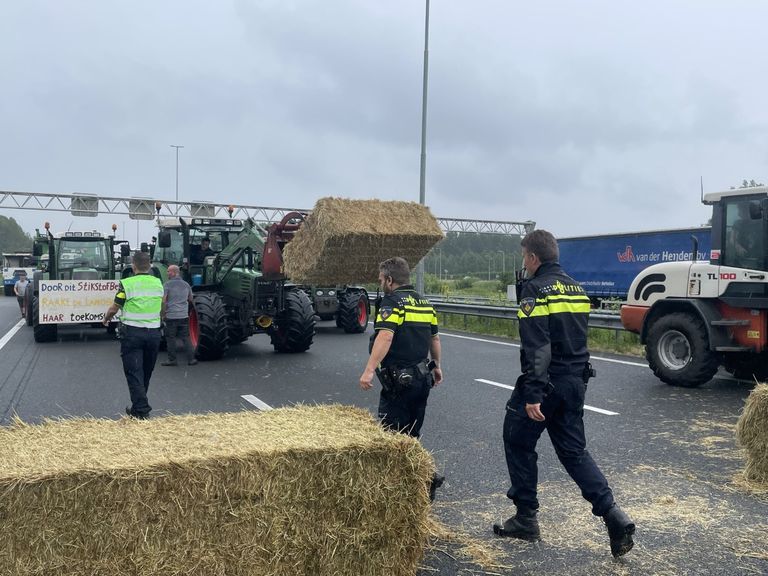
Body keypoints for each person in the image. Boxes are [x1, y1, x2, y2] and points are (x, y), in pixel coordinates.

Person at [494, 230, 635, 558]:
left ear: (533, 257)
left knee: (516, 439)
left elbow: (538, 347)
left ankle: (526, 519)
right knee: (574, 452)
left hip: (547, 383)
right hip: (575, 381)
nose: (523, 264)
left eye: (523, 257)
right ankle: (613, 515)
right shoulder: (576, 287)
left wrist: (532, 392)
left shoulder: (534, 289)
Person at [359, 256, 445, 500]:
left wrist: (368, 370)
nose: (380, 284)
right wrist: (437, 366)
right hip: (422, 378)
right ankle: (421, 479)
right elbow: (435, 339)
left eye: (380, 280)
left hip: (400, 381)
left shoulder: (392, 303)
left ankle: (423, 478)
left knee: (391, 434)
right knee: (412, 434)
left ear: (389, 279)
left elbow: (385, 337)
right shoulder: (425, 304)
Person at [103, 251, 164, 420]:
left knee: (133, 371)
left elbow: (115, 306)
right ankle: (138, 407)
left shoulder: (127, 284)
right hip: (154, 334)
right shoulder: (158, 282)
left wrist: (106, 319)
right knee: (146, 371)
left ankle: (142, 409)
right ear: (150, 265)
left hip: (133, 333)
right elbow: (163, 305)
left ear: (133, 266)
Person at [161, 264, 197, 367]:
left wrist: (163, 314)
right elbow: (190, 299)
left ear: (174, 272)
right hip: (183, 316)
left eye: (168, 271)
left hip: (171, 316)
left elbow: (164, 301)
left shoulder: (167, 285)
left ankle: (172, 360)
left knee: (170, 338)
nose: (167, 273)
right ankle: (191, 359)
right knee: (185, 337)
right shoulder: (186, 284)